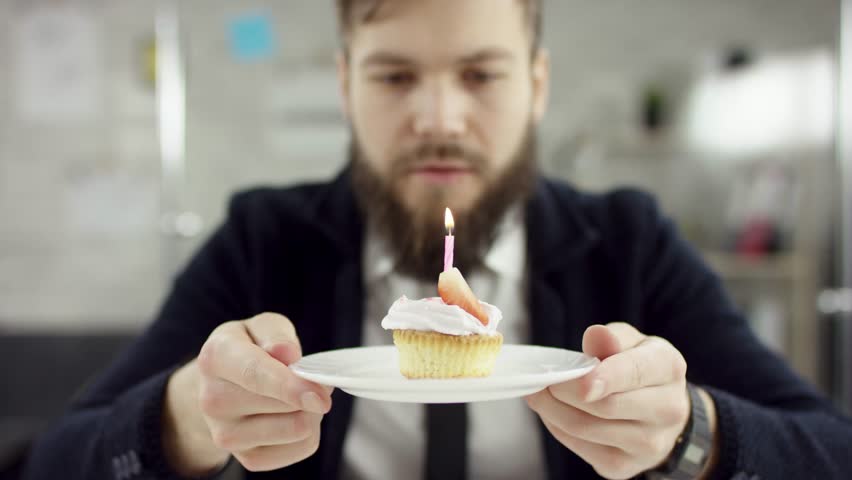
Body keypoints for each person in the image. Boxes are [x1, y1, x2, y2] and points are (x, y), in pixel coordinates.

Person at [21, 1, 852, 479]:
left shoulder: (628, 242)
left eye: (481, 75)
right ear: (346, 86)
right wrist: (183, 422)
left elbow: (828, 450)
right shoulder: (262, 242)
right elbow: (50, 463)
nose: (440, 119)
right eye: (394, 76)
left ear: (535, 87)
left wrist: (691, 433)